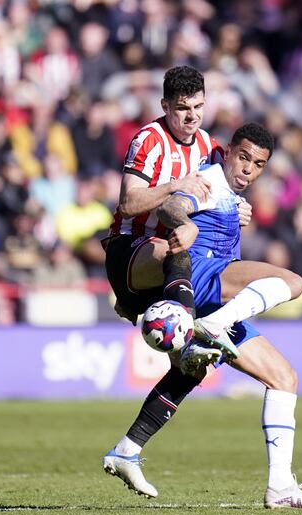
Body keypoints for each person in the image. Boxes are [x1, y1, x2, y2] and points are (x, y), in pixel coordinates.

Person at [103, 123, 302, 510]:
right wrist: (185, 222)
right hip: (206, 279)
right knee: (291, 281)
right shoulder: (209, 178)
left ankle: (278, 486)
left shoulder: (235, 196)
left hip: (216, 297)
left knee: (282, 378)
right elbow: (174, 205)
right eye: (243, 158)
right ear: (226, 153)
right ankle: (216, 325)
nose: (247, 169)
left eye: (258, 164)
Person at [103, 65, 241, 365]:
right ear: (165, 106)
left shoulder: (211, 147)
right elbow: (128, 203)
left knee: (188, 372)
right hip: (130, 247)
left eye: (199, 106)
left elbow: (219, 201)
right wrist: (177, 185)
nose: (192, 115)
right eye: (182, 108)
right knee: (176, 247)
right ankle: (190, 330)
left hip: (174, 263)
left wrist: (238, 209)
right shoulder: (149, 140)